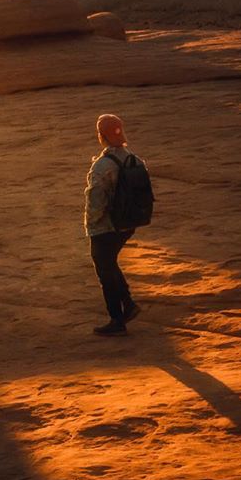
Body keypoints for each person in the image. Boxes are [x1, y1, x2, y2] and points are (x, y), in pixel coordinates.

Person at [84, 112, 140, 336]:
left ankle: (117, 319)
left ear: (101, 136)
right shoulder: (132, 158)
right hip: (128, 224)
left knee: (104, 271)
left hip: (106, 227)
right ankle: (128, 304)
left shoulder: (102, 165)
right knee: (110, 262)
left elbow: (96, 201)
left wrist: (91, 224)